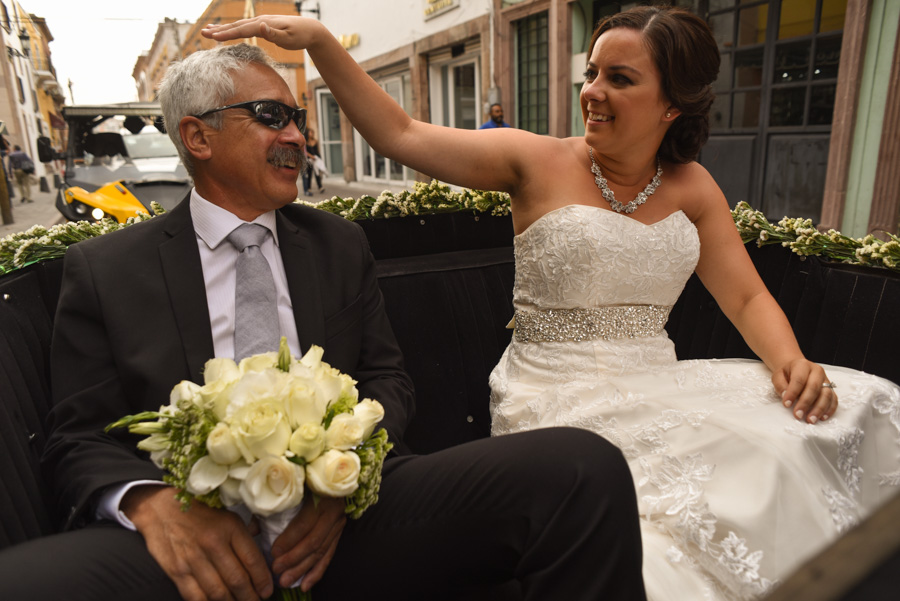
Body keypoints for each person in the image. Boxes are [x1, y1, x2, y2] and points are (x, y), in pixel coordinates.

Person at [203, 7, 900, 601]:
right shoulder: (535, 160)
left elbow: (746, 293)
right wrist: (320, 42)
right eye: (591, 72)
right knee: (675, 516)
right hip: (555, 392)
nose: (593, 91)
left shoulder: (694, 187)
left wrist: (790, 359)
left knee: (853, 406)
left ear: (673, 104)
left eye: (619, 78)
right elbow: (402, 136)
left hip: (659, 378)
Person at [18, 43, 646, 601]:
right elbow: (77, 437)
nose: (296, 136)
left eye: (297, 118)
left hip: (354, 522)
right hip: (193, 543)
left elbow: (387, 382)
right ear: (198, 137)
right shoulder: (106, 269)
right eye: (271, 116)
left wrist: (345, 489)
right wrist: (152, 507)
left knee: (580, 468)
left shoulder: (337, 243)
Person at [301, 127, 326, 195]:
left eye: (312, 132)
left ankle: (320, 186)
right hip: (309, 160)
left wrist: (319, 158)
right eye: (310, 132)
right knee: (309, 174)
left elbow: (317, 151)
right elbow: (305, 151)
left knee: (317, 174)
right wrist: (311, 156)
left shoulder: (315, 141)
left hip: (315, 159)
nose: (312, 134)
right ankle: (308, 188)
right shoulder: (305, 142)